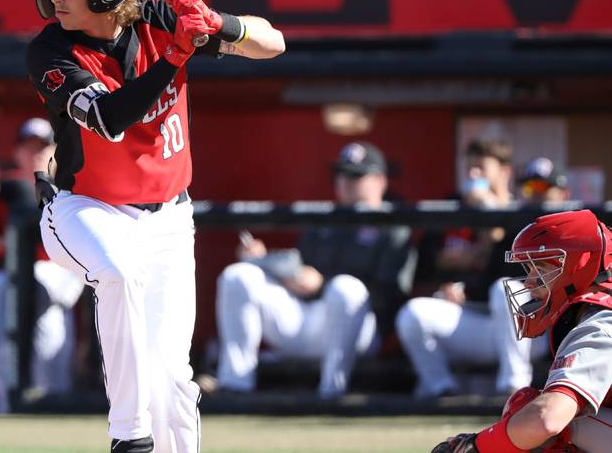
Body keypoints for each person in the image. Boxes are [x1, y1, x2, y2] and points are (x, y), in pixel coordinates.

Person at [24, 0, 285, 452]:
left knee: (172, 381)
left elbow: (272, 43)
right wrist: (175, 57)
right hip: (84, 210)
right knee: (119, 274)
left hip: (169, 218)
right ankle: (130, 438)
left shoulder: (161, 21)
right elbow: (109, 117)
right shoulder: (50, 52)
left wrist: (217, 22)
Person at [215, 142, 416, 399]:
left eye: (355, 175)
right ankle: (234, 386)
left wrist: (323, 284)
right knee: (239, 275)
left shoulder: (393, 226)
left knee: (345, 288)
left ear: (379, 180)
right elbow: (301, 268)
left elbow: (391, 297)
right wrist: (269, 264)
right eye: (341, 174)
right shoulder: (325, 220)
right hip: (308, 318)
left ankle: (332, 393)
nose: (345, 182)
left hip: (361, 328)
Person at [431, 209, 612, 453]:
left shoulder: (600, 322)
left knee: (531, 413)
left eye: (542, 268)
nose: (529, 281)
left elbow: (547, 419)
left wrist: (477, 446)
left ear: (581, 264)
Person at [396, 138, 545, 398]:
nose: (474, 176)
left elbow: (513, 268)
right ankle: (441, 390)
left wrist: (488, 219)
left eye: (481, 169)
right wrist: (449, 270)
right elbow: (424, 261)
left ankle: (515, 387)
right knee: (413, 314)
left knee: (504, 289)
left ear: (504, 172)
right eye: (469, 169)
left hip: (527, 332)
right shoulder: (455, 207)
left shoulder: (522, 213)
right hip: (475, 321)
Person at [0, 142, 83, 412]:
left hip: (57, 269)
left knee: (22, 296)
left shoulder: (17, 192)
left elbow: (31, 253)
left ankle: (42, 397)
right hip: (20, 281)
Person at [5, 117, 56, 185]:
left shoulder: (71, 190)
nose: (35, 154)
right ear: (17, 152)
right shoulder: (2, 189)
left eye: (41, 147)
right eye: (30, 147)